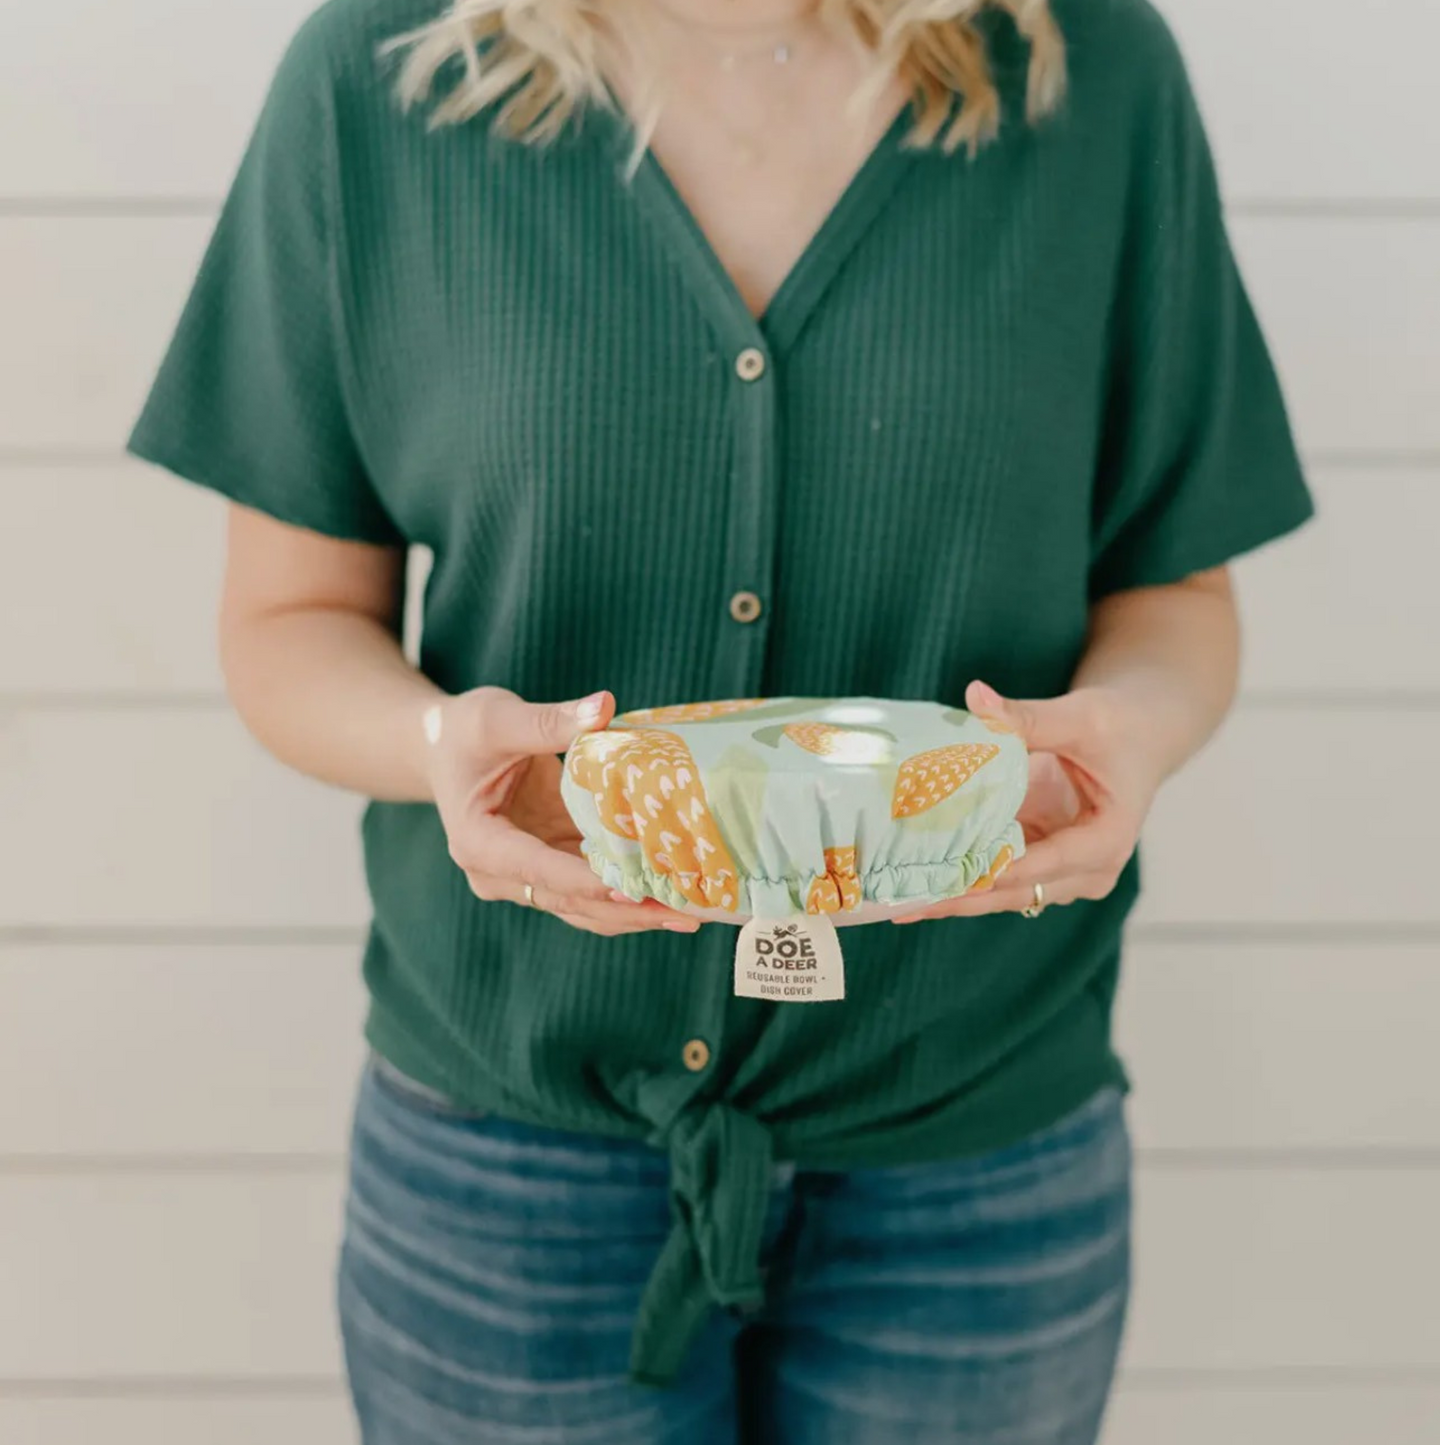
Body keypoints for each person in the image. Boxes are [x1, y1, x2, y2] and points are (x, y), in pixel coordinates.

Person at [127, 0, 1314, 1439]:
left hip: (978, 1156)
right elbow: (287, 621)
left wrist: (1133, 727)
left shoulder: (1090, 70)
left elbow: (1174, 589)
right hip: (512, 1160)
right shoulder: (377, 82)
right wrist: (435, 751)